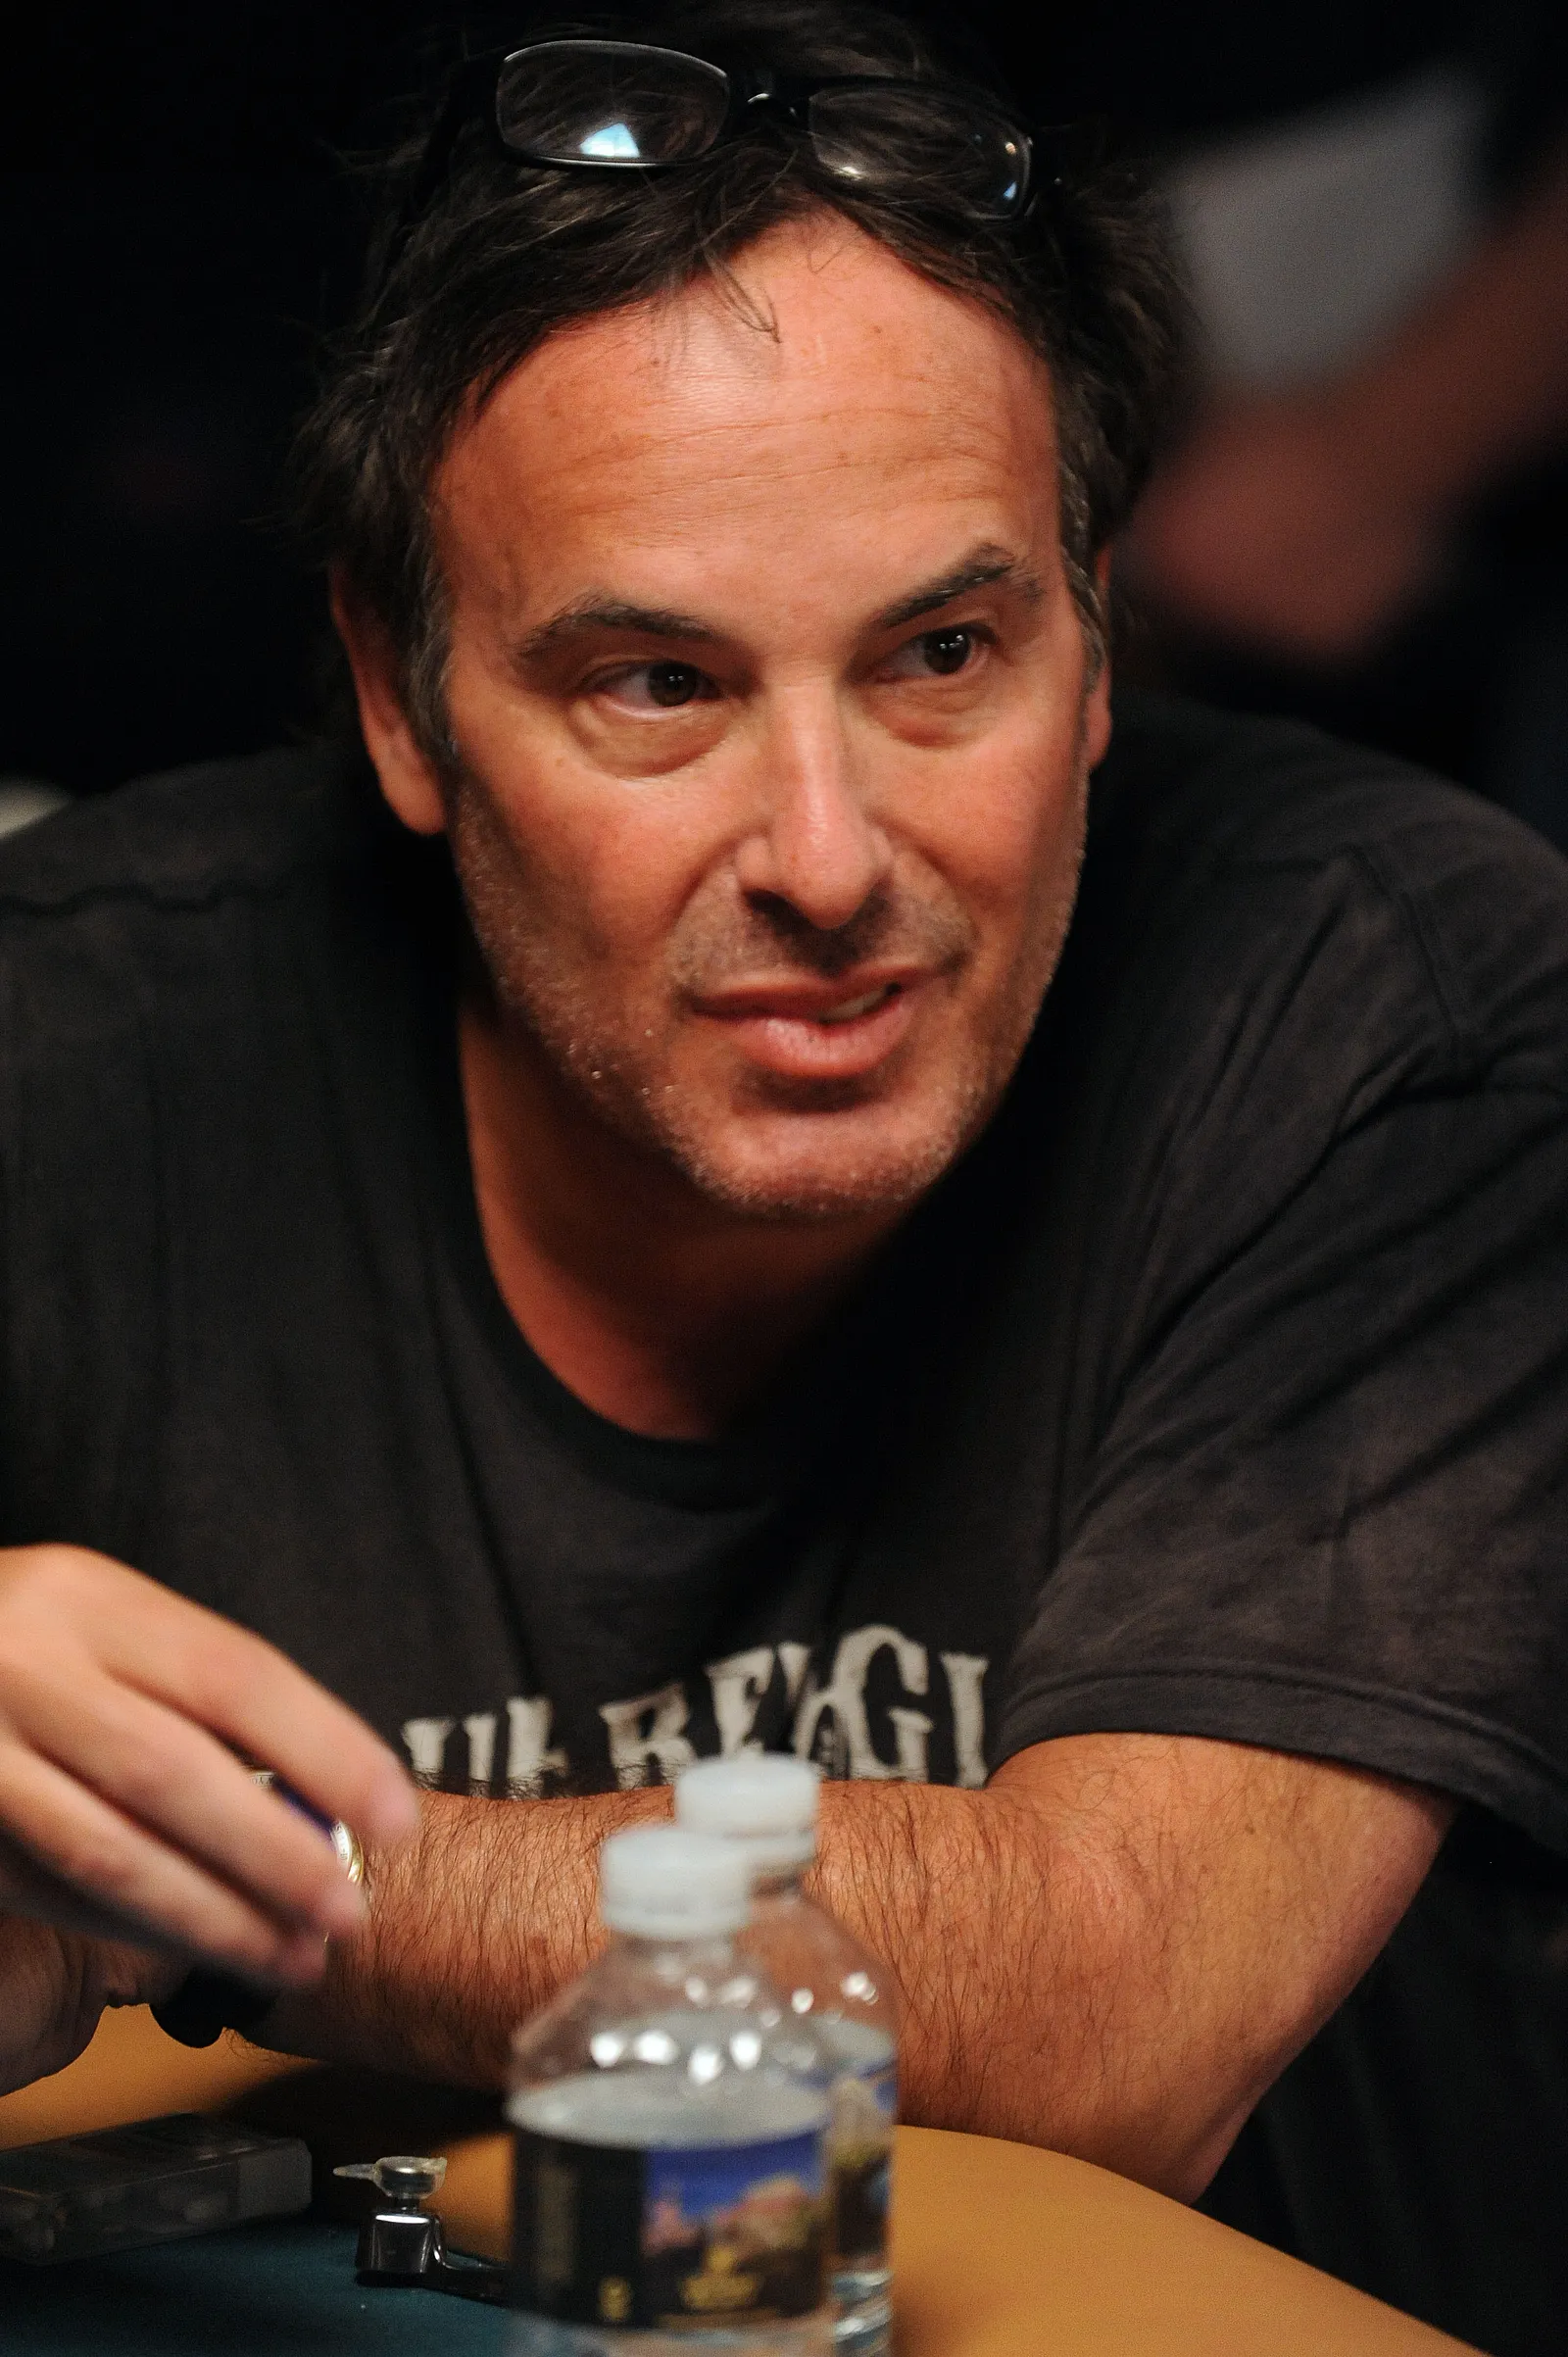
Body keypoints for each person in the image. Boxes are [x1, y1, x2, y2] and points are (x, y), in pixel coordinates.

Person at [0, 6, 1564, 2347]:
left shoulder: (1399, 1008)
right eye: (655, 684)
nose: (826, 858)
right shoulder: (68, 1041)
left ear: (1094, 642)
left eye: (939, 652)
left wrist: (161, 1868)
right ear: (401, 699)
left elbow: (1115, 2010)